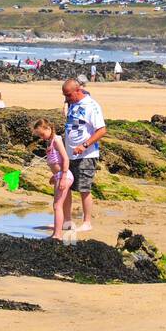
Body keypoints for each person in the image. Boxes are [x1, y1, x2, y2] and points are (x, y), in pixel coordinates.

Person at [61, 77, 107, 232]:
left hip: (86, 155)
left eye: (68, 95)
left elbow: (102, 130)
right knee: (65, 187)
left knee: (84, 189)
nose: (67, 98)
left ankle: (87, 222)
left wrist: (84, 145)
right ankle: (67, 221)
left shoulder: (91, 106)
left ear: (78, 91)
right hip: (69, 154)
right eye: (64, 96)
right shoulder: (72, 104)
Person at [33, 118, 74, 241]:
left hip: (64, 176)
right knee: (60, 205)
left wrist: (62, 177)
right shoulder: (50, 142)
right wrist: (54, 176)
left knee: (57, 206)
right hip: (59, 175)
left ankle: (57, 235)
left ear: (48, 128)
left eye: (42, 134)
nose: (41, 137)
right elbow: (56, 163)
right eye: (39, 135)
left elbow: (66, 159)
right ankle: (61, 230)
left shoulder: (56, 140)